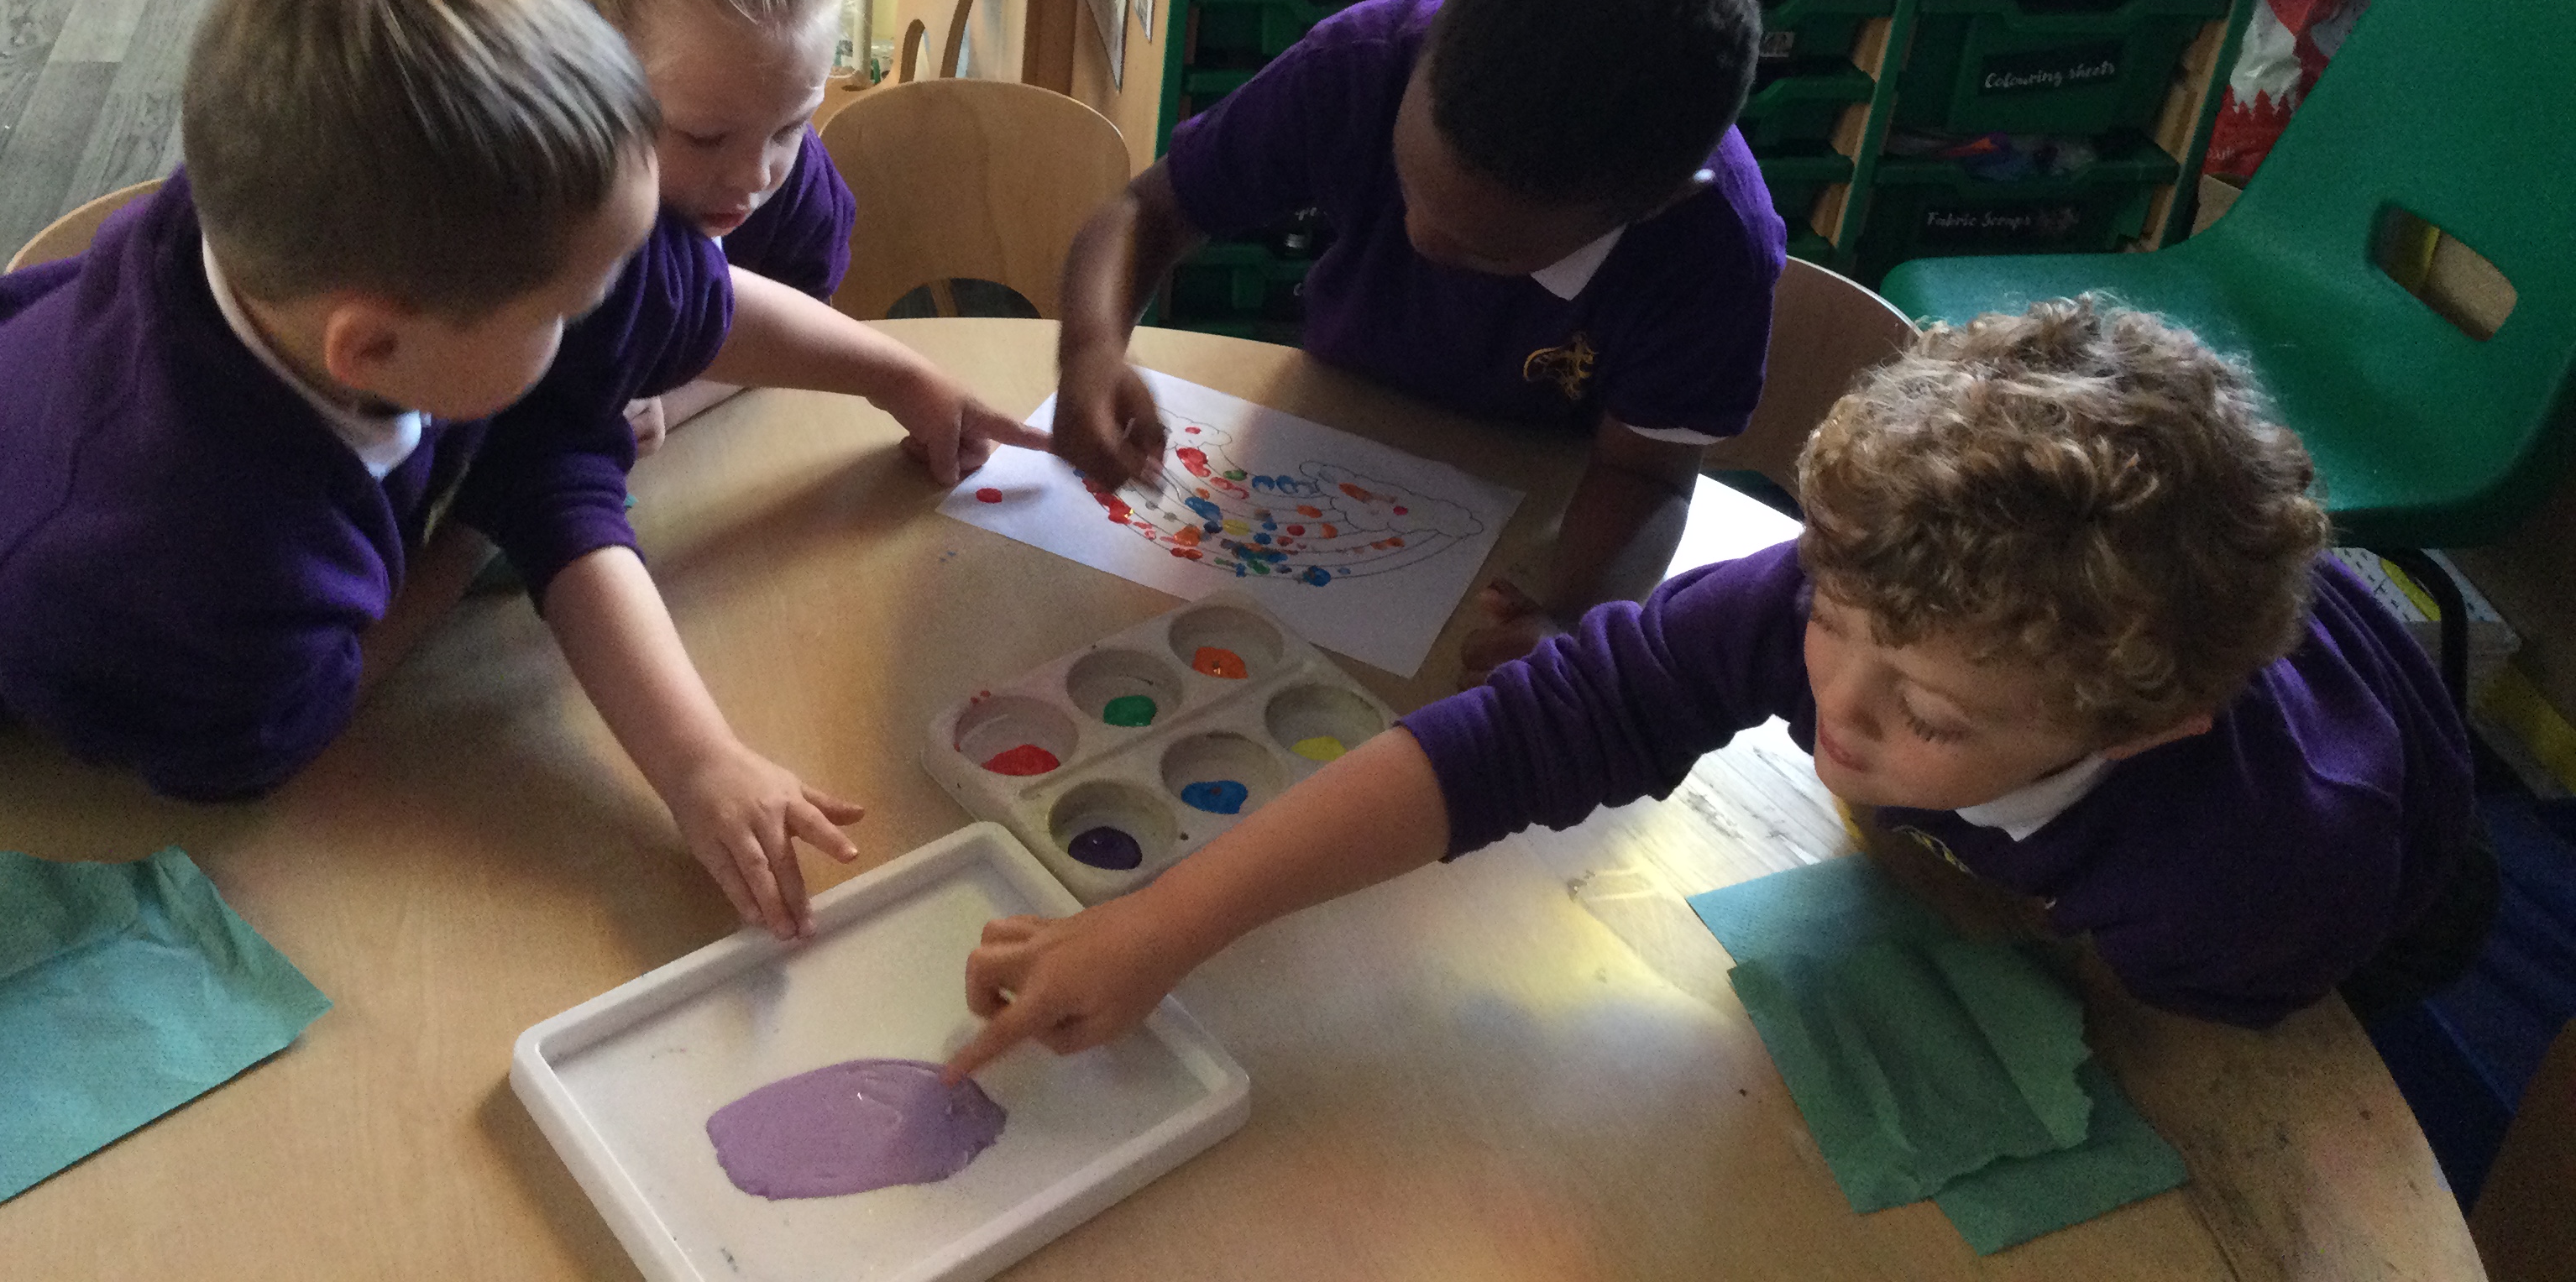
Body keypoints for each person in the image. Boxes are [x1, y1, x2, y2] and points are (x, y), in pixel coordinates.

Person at [947, 301, 2488, 1071]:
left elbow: (2200, 1063)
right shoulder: (1879, 597)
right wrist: (1164, 922)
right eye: (1830, 625)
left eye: (1927, 715)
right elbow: (1527, 734)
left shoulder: (2248, 880)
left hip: (2363, 908)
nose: (1837, 709)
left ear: (2136, 732)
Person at [0, 0, 881, 938]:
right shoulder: (186, 562)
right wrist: (475, 521)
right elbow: (273, 738)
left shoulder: (391, 235)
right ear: (373, 351)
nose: (597, 328)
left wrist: (899, 378)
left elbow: (676, 301)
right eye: (560, 317)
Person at [1052, 0, 1783, 676]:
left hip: (1530, 517)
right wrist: (1091, 348)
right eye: (1410, 185)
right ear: (1428, 46)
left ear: (1651, 205)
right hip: (1323, 433)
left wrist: (1572, 617)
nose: (1421, 238)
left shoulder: (1713, 250)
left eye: (1486, 251)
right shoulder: (1362, 64)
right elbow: (1147, 208)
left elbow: (1648, 473)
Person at [526, 0, 909, 453]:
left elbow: (803, 317)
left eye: (792, 126)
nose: (757, 176)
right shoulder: (531, 223)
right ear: (575, 89)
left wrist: (675, 402)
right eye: (705, 137)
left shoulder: (802, 196)